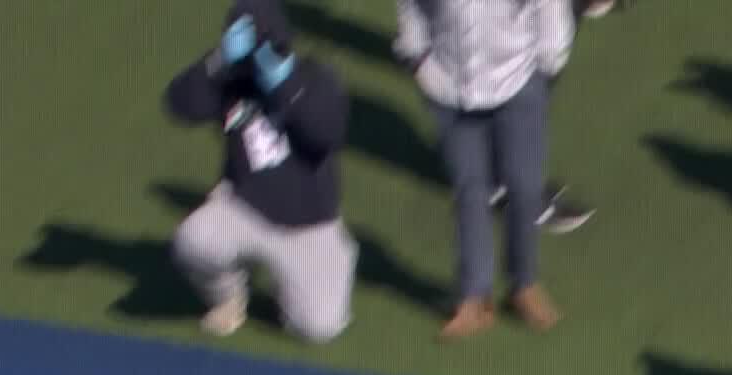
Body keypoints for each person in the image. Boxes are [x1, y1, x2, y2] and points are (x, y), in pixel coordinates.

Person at [167, 0, 355, 343]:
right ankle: (229, 296)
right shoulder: (231, 82)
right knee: (193, 242)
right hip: (244, 206)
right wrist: (217, 61)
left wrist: (284, 83)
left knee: (318, 327)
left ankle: (326, 263)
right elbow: (180, 105)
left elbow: (325, 133)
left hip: (308, 224)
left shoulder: (316, 77)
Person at [395, 0, 574, 340]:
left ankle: (524, 285)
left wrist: (549, 62)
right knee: (469, 190)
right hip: (450, 88)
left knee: (524, 185)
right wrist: (417, 59)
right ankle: (473, 298)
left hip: (519, 80)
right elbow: (413, 6)